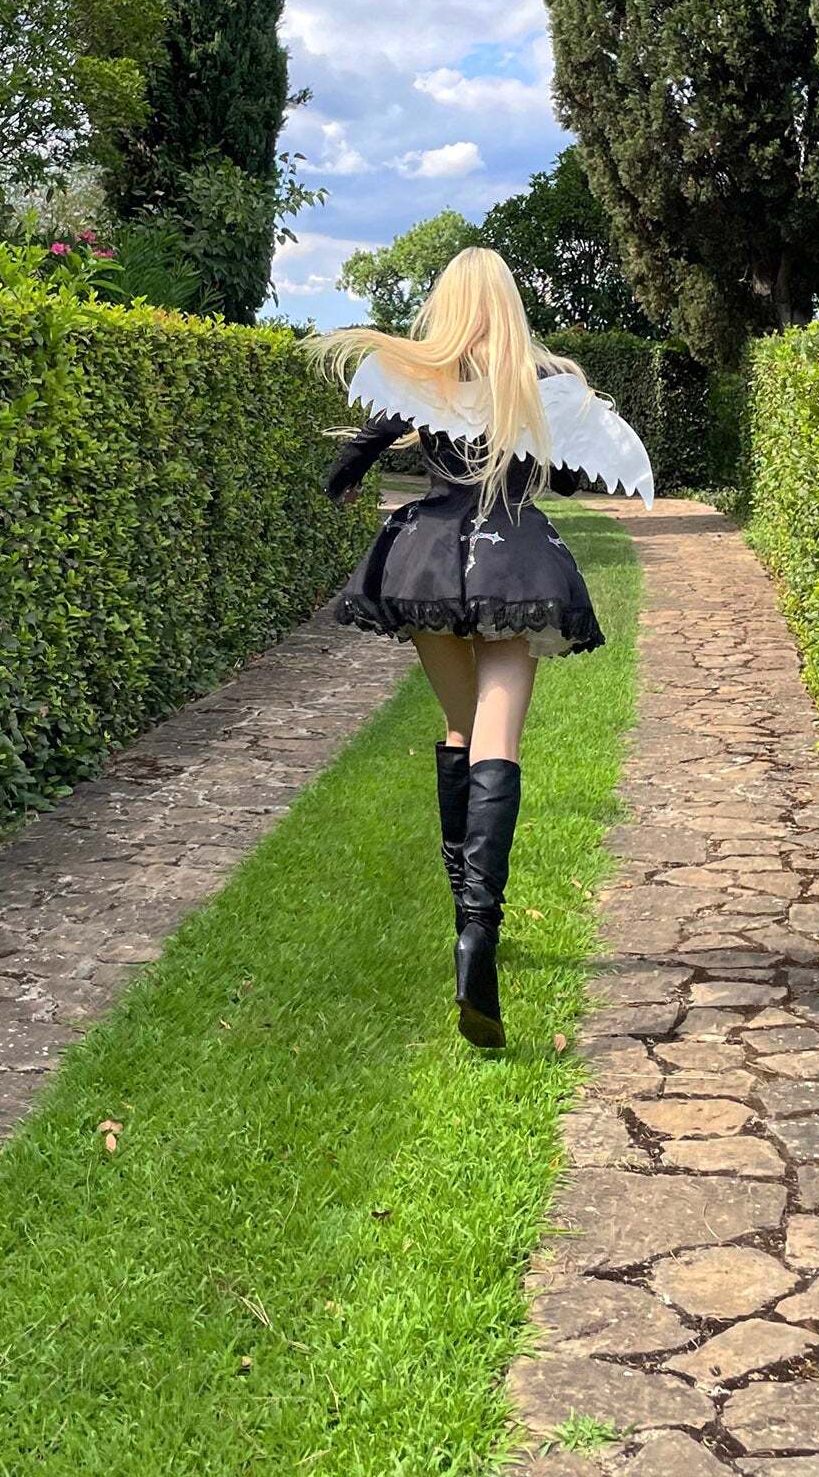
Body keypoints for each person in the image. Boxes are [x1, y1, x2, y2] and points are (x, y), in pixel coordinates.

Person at [307, 246, 653, 1050]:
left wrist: (343, 480)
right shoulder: (542, 389)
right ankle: (477, 935)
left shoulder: (414, 379)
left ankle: (463, 917)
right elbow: (568, 479)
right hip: (513, 564)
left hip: (426, 563)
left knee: (462, 730)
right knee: (496, 735)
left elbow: (363, 445)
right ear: (509, 308)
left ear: (448, 306)